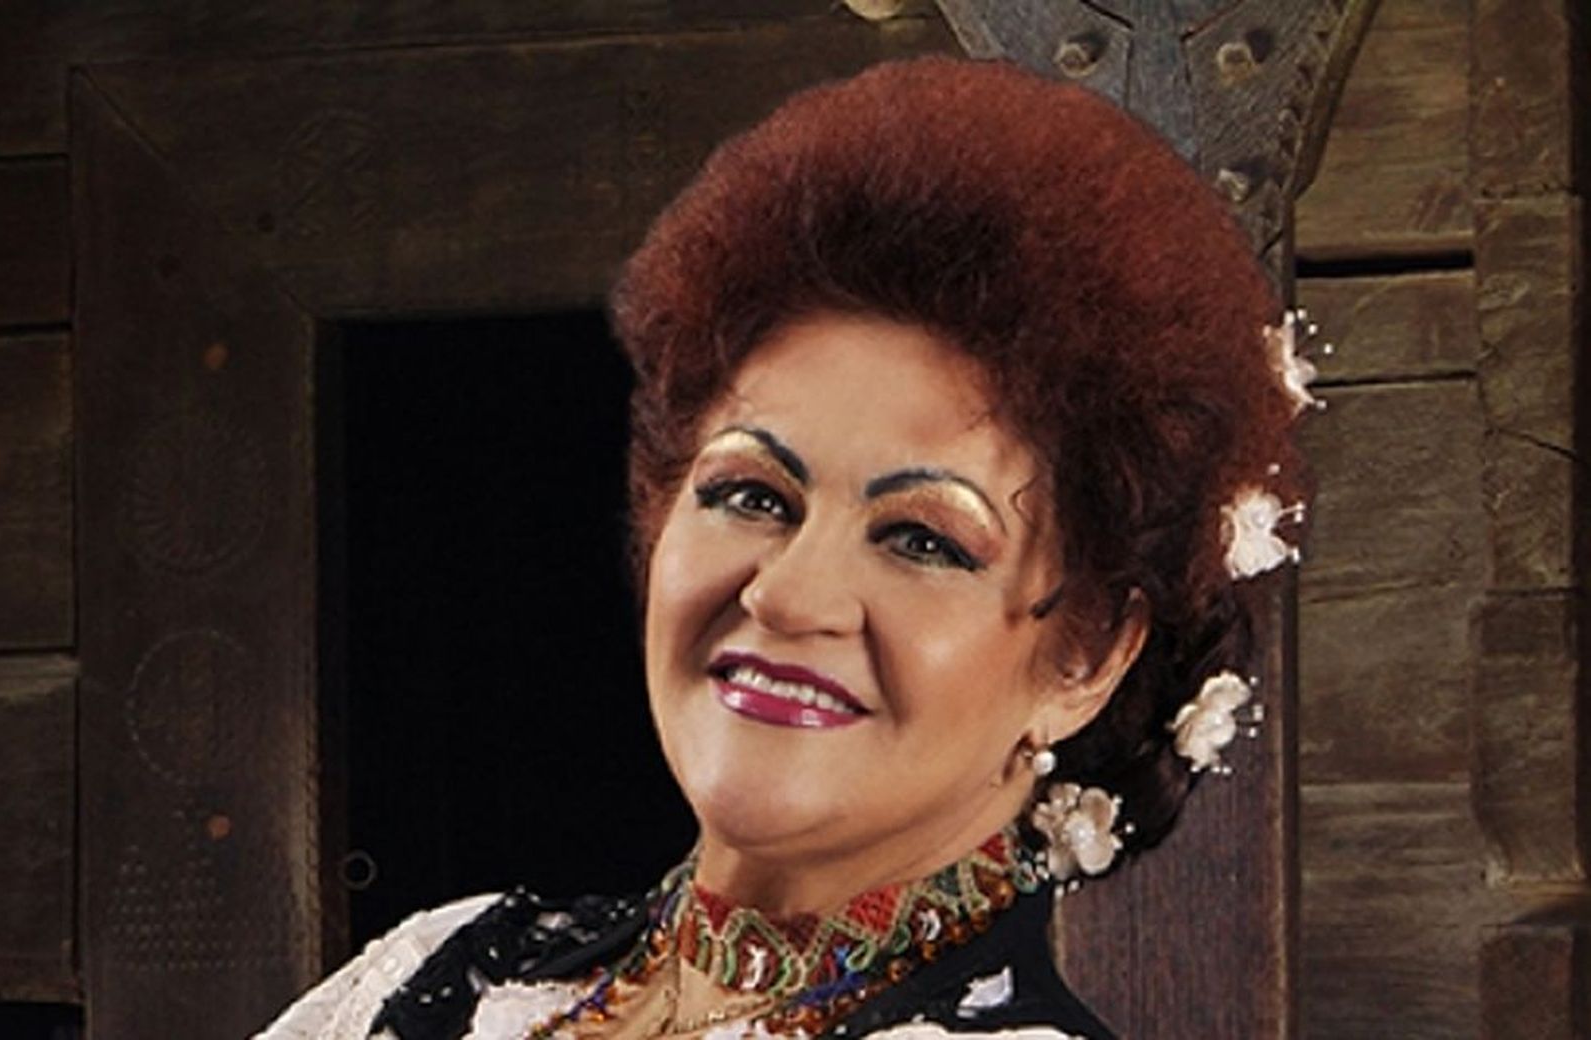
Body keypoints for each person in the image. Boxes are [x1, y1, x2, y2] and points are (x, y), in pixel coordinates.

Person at [257, 54, 1312, 1040]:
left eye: (922, 539)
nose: (789, 593)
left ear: (1085, 654)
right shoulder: (440, 970)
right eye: (751, 494)